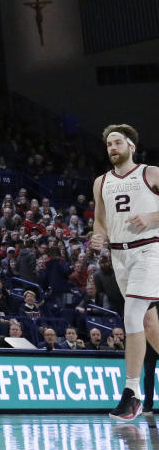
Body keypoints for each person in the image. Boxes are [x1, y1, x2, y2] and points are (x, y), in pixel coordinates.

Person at [89, 124, 159, 421]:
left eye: (117, 142)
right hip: (119, 255)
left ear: (131, 146)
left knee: (131, 315)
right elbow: (100, 220)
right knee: (148, 323)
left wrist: (152, 216)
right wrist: (97, 234)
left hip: (150, 249)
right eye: (108, 144)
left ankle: (132, 395)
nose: (112, 148)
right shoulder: (100, 182)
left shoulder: (150, 172)